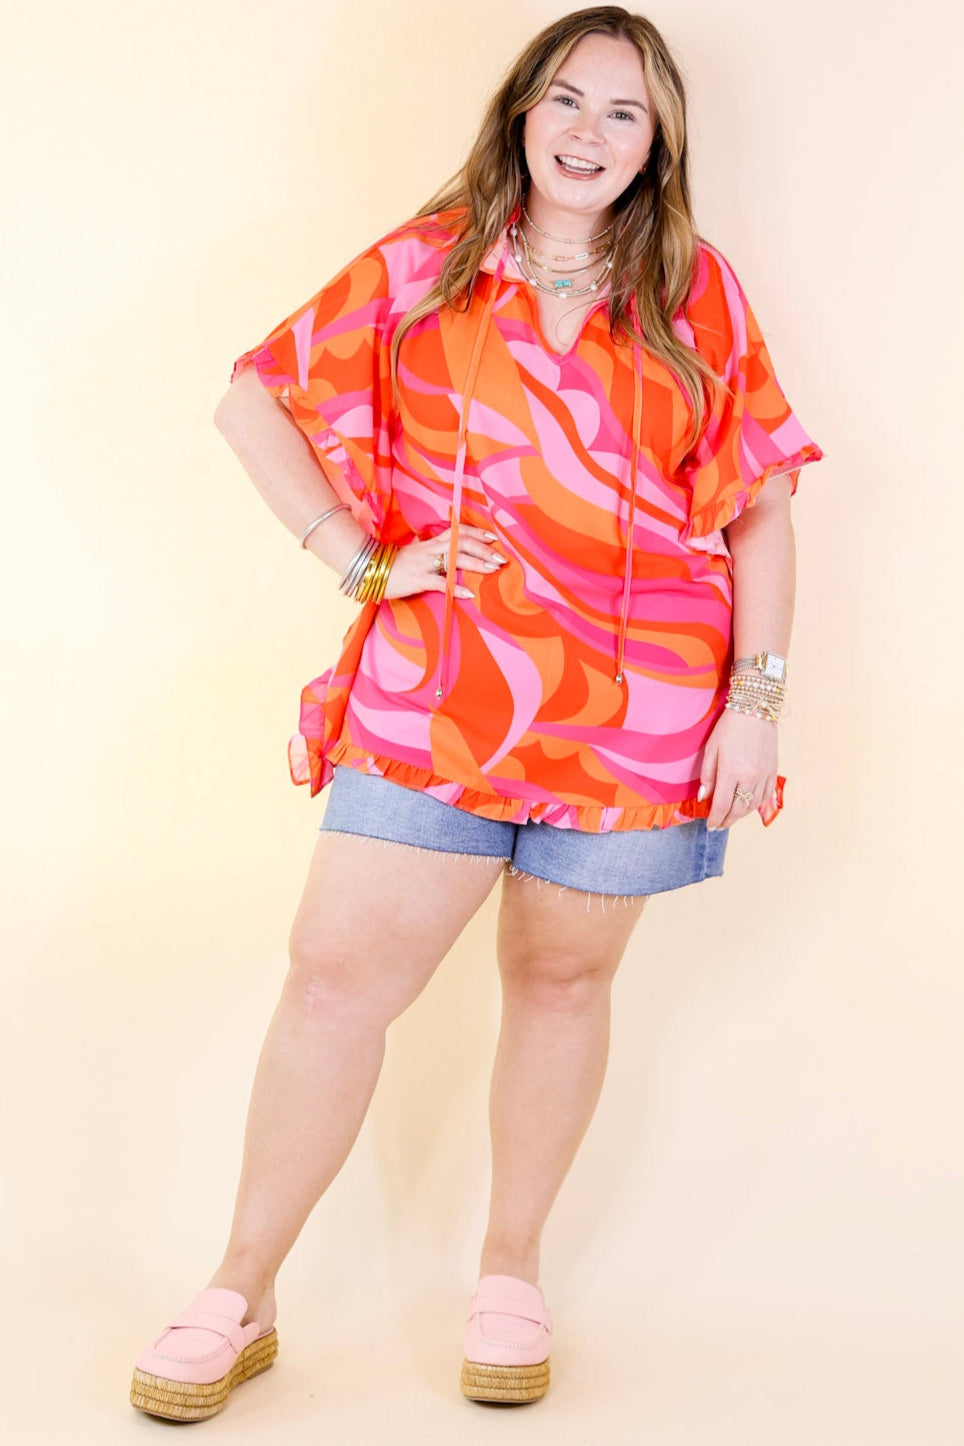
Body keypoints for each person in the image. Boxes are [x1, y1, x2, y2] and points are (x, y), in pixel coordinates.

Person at [130, 3, 822, 1421]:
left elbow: (759, 507)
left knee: (562, 982)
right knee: (334, 979)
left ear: (657, 145)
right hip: (437, 693)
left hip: (639, 713)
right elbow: (254, 399)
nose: (589, 133)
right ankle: (242, 1289)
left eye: (625, 113)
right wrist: (360, 561)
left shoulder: (695, 290)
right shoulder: (429, 261)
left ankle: (511, 1272)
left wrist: (755, 703)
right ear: (521, 110)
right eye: (566, 99)